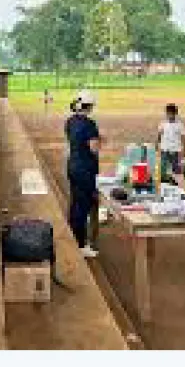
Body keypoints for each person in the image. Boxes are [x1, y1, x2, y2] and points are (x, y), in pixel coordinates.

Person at [65, 90, 102, 258]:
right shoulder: (89, 124)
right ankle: (80, 245)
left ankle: (73, 238)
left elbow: (76, 140)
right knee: (83, 206)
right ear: (90, 106)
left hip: (73, 165)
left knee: (75, 204)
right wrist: (99, 141)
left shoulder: (70, 121)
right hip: (85, 170)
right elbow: (93, 147)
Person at [155, 103, 185, 183]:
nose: (169, 115)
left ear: (175, 114)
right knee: (163, 167)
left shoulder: (179, 125)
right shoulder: (163, 124)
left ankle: (182, 171)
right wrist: (157, 144)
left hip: (175, 150)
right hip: (164, 149)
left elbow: (183, 138)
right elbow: (159, 135)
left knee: (175, 169)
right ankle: (164, 182)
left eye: (171, 114)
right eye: (168, 113)